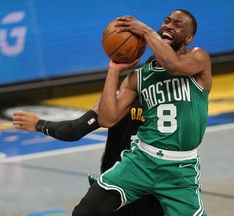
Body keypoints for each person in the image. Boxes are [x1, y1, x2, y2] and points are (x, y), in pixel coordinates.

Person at [72, 9, 212, 216]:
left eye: (177, 25)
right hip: (141, 161)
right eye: (167, 21)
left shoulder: (198, 58)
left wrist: (146, 31)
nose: (168, 26)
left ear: (189, 38)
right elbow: (107, 118)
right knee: (85, 212)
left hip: (179, 169)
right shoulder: (139, 77)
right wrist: (114, 70)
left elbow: (174, 65)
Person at [12, 76, 164, 215]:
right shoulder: (184, 104)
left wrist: (40, 124)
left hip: (118, 186)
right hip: (161, 186)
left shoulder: (115, 101)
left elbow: (74, 130)